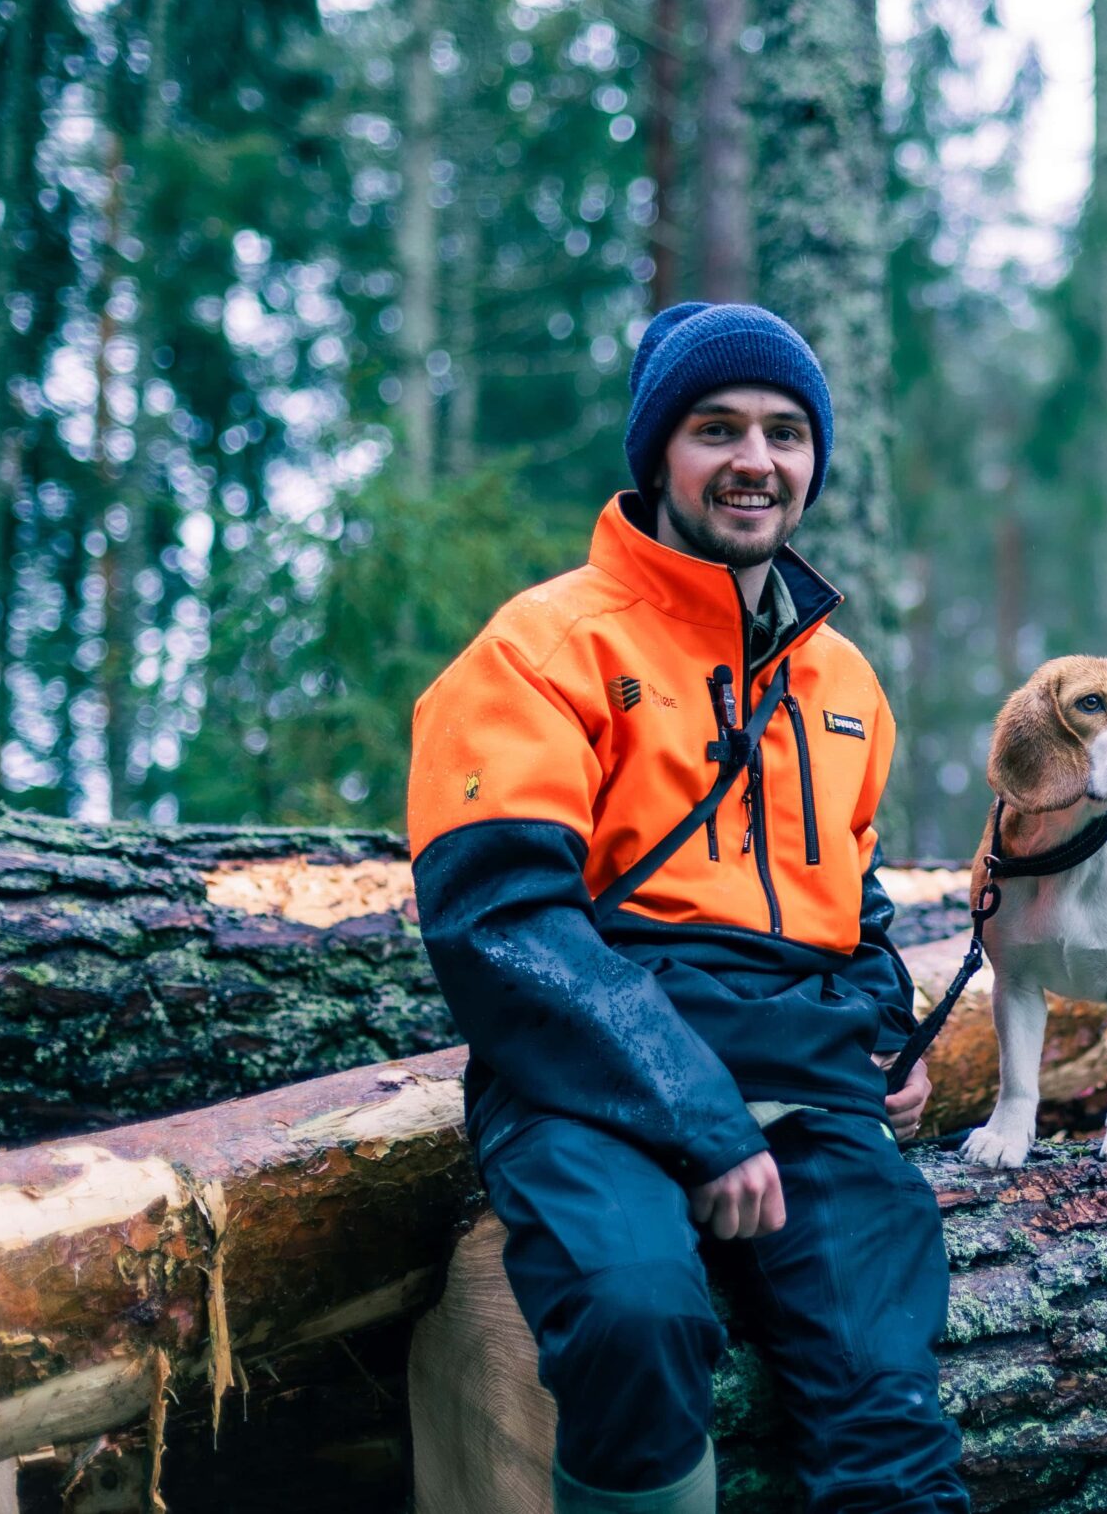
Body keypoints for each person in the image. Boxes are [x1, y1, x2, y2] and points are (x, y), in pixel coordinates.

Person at [406, 302, 967, 1514]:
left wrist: (883, 1020)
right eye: (717, 429)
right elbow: (499, 926)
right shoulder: (536, 651)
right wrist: (699, 1117)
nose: (755, 462)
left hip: (812, 1089)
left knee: (889, 1406)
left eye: (784, 432)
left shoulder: (845, 682)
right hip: (587, 1082)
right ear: (659, 453)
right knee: (636, 1310)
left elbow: (849, 898)